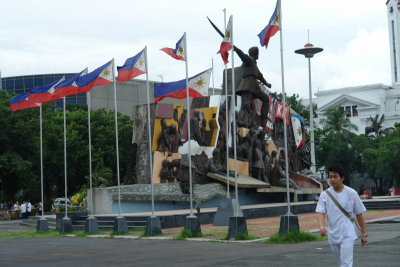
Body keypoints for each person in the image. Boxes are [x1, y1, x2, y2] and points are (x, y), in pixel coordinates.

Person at [316, 164, 368, 267]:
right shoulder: (325, 195)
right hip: (333, 234)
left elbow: (359, 214)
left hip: (347, 233)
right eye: (330, 177)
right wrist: (321, 226)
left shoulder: (351, 193)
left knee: (346, 264)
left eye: (335, 177)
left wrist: (364, 234)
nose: (332, 180)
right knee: (340, 263)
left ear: (342, 178)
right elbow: (321, 212)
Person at [234, 46, 271, 127]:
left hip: (253, 87)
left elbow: (260, 76)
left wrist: (267, 84)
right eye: (257, 53)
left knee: (266, 99)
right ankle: (240, 121)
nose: (258, 55)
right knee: (245, 104)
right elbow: (242, 55)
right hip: (247, 86)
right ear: (255, 53)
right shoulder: (249, 60)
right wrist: (236, 49)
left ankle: (263, 123)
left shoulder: (254, 63)